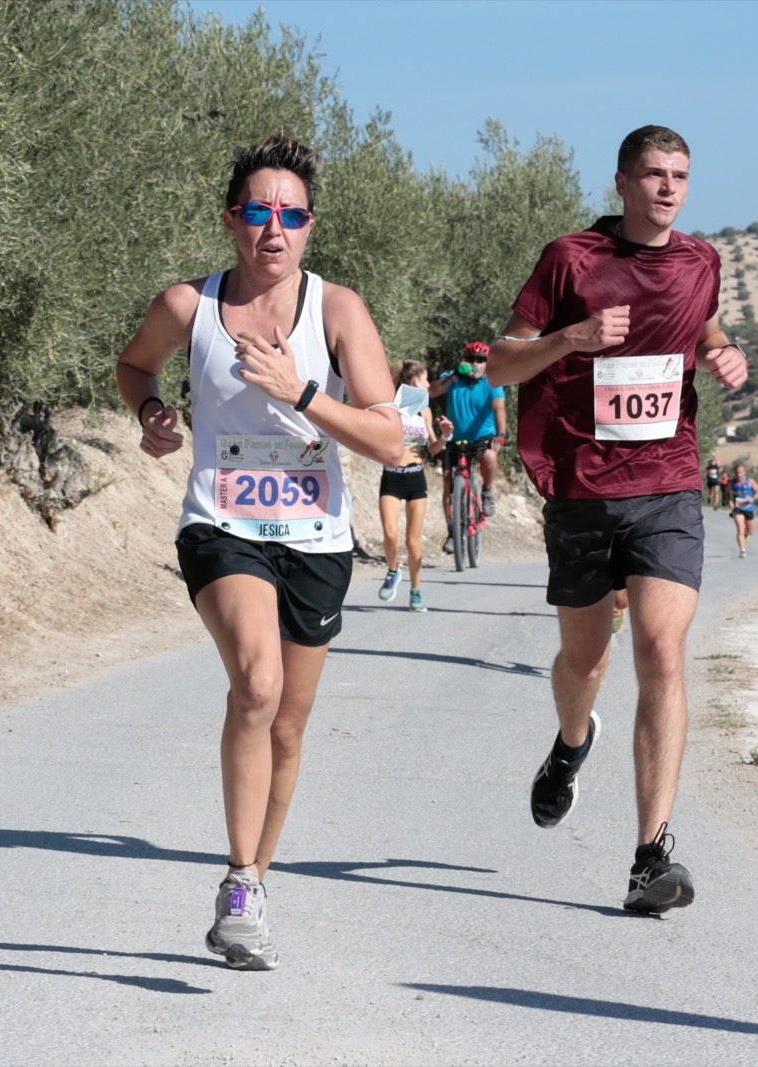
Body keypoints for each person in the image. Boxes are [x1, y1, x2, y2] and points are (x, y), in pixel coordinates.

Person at [114, 135, 402, 971]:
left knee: (287, 724)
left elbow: (389, 438)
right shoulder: (188, 307)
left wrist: (302, 392)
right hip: (222, 525)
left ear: (311, 226)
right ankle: (238, 880)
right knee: (257, 682)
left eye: (292, 215)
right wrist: (153, 413)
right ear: (231, 220)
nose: (273, 230)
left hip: (316, 538)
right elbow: (136, 367)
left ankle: (257, 881)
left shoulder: (338, 310)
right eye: (257, 212)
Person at [487, 124, 747, 915]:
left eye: (681, 175)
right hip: (580, 488)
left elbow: (698, 325)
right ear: (622, 184)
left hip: (667, 483)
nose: (668, 188)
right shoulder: (571, 259)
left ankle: (650, 854)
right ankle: (572, 743)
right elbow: (501, 361)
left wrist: (724, 350)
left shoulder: (703, 261)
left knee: (662, 651)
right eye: (654, 174)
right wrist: (571, 337)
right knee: (586, 661)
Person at [378, 360, 445, 611]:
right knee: (390, 533)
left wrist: (446, 436)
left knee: (413, 541)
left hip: (416, 476)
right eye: (425, 379)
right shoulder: (391, 406)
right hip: (391, 475)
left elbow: (433, 448)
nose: (428, 384)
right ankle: (393, 571)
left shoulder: (424, 410)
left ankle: (416, 592)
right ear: (414, 380)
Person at [430, 341, 507, 523]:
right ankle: (452, 531)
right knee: (448, 482)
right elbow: (432, 392)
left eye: (480, 360)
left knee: (489, 456)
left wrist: (501, 435)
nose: (475, 363)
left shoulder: (492, 381)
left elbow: (499, 409)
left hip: (482, 437)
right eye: (471, 359)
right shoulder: (453, 377)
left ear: (487, 362)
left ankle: (486, 491)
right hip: (454, 438)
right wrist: (455, 375)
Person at [727, 463, 758, 558]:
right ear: (735, 472)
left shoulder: (750, 481)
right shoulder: (732, 483)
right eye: (737, 473)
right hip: (738, 509)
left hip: (749, 508)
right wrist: (730, 502)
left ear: (744, 472)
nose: (739, 475)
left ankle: (746, 535)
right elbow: (727, 494)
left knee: (750, 530)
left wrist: (753, 498)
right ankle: (742, 550)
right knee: (740, 528)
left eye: (741, 473)